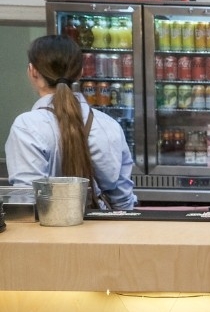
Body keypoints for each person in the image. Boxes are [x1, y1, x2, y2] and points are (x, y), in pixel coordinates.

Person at [5, 34, 136, 209]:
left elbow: (28, 200)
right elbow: (123, 202)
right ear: (80, 73)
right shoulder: (109, 125)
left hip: (47, 233)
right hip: (103, 232)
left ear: (33, 71)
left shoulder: (27, 126)